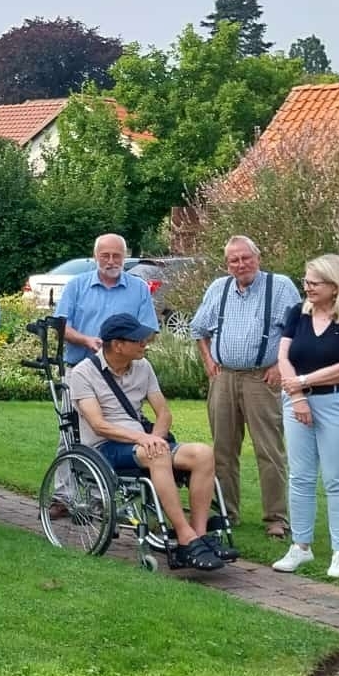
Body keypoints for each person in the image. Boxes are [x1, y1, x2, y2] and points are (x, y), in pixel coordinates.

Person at [66, 314, 228, 570]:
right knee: (157, 455)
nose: (145, 343)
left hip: (146, 442)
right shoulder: (83, 373)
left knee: (203, 453)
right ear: (118, 345)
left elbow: (163, 413)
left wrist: (156, 437)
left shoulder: (143, 367)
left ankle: (199, 536)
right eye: (138, 340)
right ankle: (184, 535)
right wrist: (144, 439)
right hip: (105, 447)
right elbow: (99, 425)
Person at [190, 236, 301, 538]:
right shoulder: (219, 288)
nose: (240, 265)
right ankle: (226, 512)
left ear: (258, 257)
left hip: (260, 378)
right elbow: (198, 328)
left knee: (269, 450)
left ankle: (276, 519)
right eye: (234, 261)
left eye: (245, 258)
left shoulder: (280, 287)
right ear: (227, 265)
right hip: (223, 377)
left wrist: (280, 365)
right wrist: (207, 360)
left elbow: (299, 331)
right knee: (222, 449)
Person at [272, 254, 339, 578]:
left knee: (336, 477)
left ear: (335, 285)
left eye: (315, 282)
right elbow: (284, 357)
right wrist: (298, 396)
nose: (308, 287)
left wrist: (303, 381)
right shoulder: (297, 313)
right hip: (297, 402)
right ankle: (300, 546)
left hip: (338, 402)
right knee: (300, 476)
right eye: (306, 281)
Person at [54, 233, 156, 367]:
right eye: (105, 255)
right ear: (95, 256)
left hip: (126, 372)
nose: (111, 261)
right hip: (81, 369)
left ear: (125, 257)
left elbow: (150, 331)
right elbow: (60, 327)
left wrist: (122, 345)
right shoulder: (76, 286)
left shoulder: (140, 288)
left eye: (117, 256)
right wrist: (85, 340)